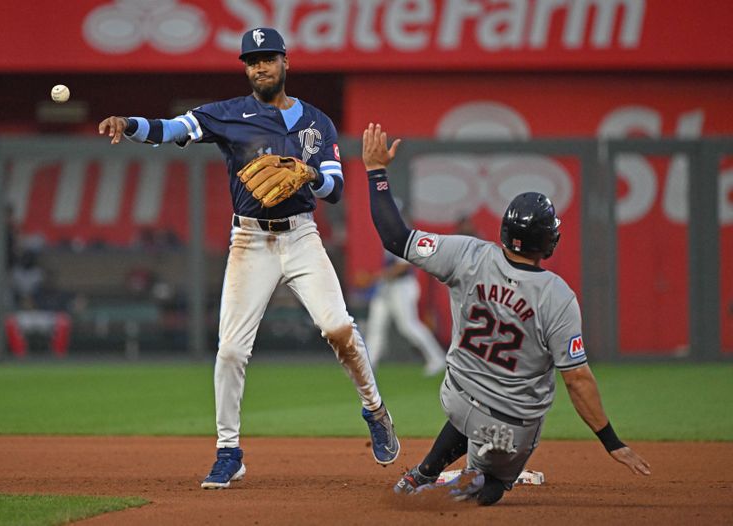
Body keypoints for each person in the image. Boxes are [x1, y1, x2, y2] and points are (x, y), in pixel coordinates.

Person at [98, 28, 399, 490]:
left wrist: (308, 175)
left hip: (301, 237)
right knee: (232, 351)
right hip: (250, 241)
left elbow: (335, 190)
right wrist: (129, 123)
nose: (260, 66)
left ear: (285, 62)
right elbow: (174, 129)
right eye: (252, 60)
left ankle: (375, 410)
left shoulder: (316, 123)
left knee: (337, 327)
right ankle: (228, 452)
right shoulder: (227, 116)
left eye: (268, 58)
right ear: (245, 67)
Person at [361, 123, 650, 506]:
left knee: (472, 406)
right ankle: (470, 484)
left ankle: (422, 474)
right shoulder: (559, 297)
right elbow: (578, 379)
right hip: (511, 427)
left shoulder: (467, 254)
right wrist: (611, 442)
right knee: (497, 476)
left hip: (457, 397)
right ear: (548, 242)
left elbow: (394, 236)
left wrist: (376, 172)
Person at [364, 248, 447, 376]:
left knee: (409, 326)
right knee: (376, 326)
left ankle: (437, 358)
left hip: (402, 286)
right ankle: (368, 365)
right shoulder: (388, 237)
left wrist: (375, 277)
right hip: (387, 286)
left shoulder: (402, 236)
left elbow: (403, 267)